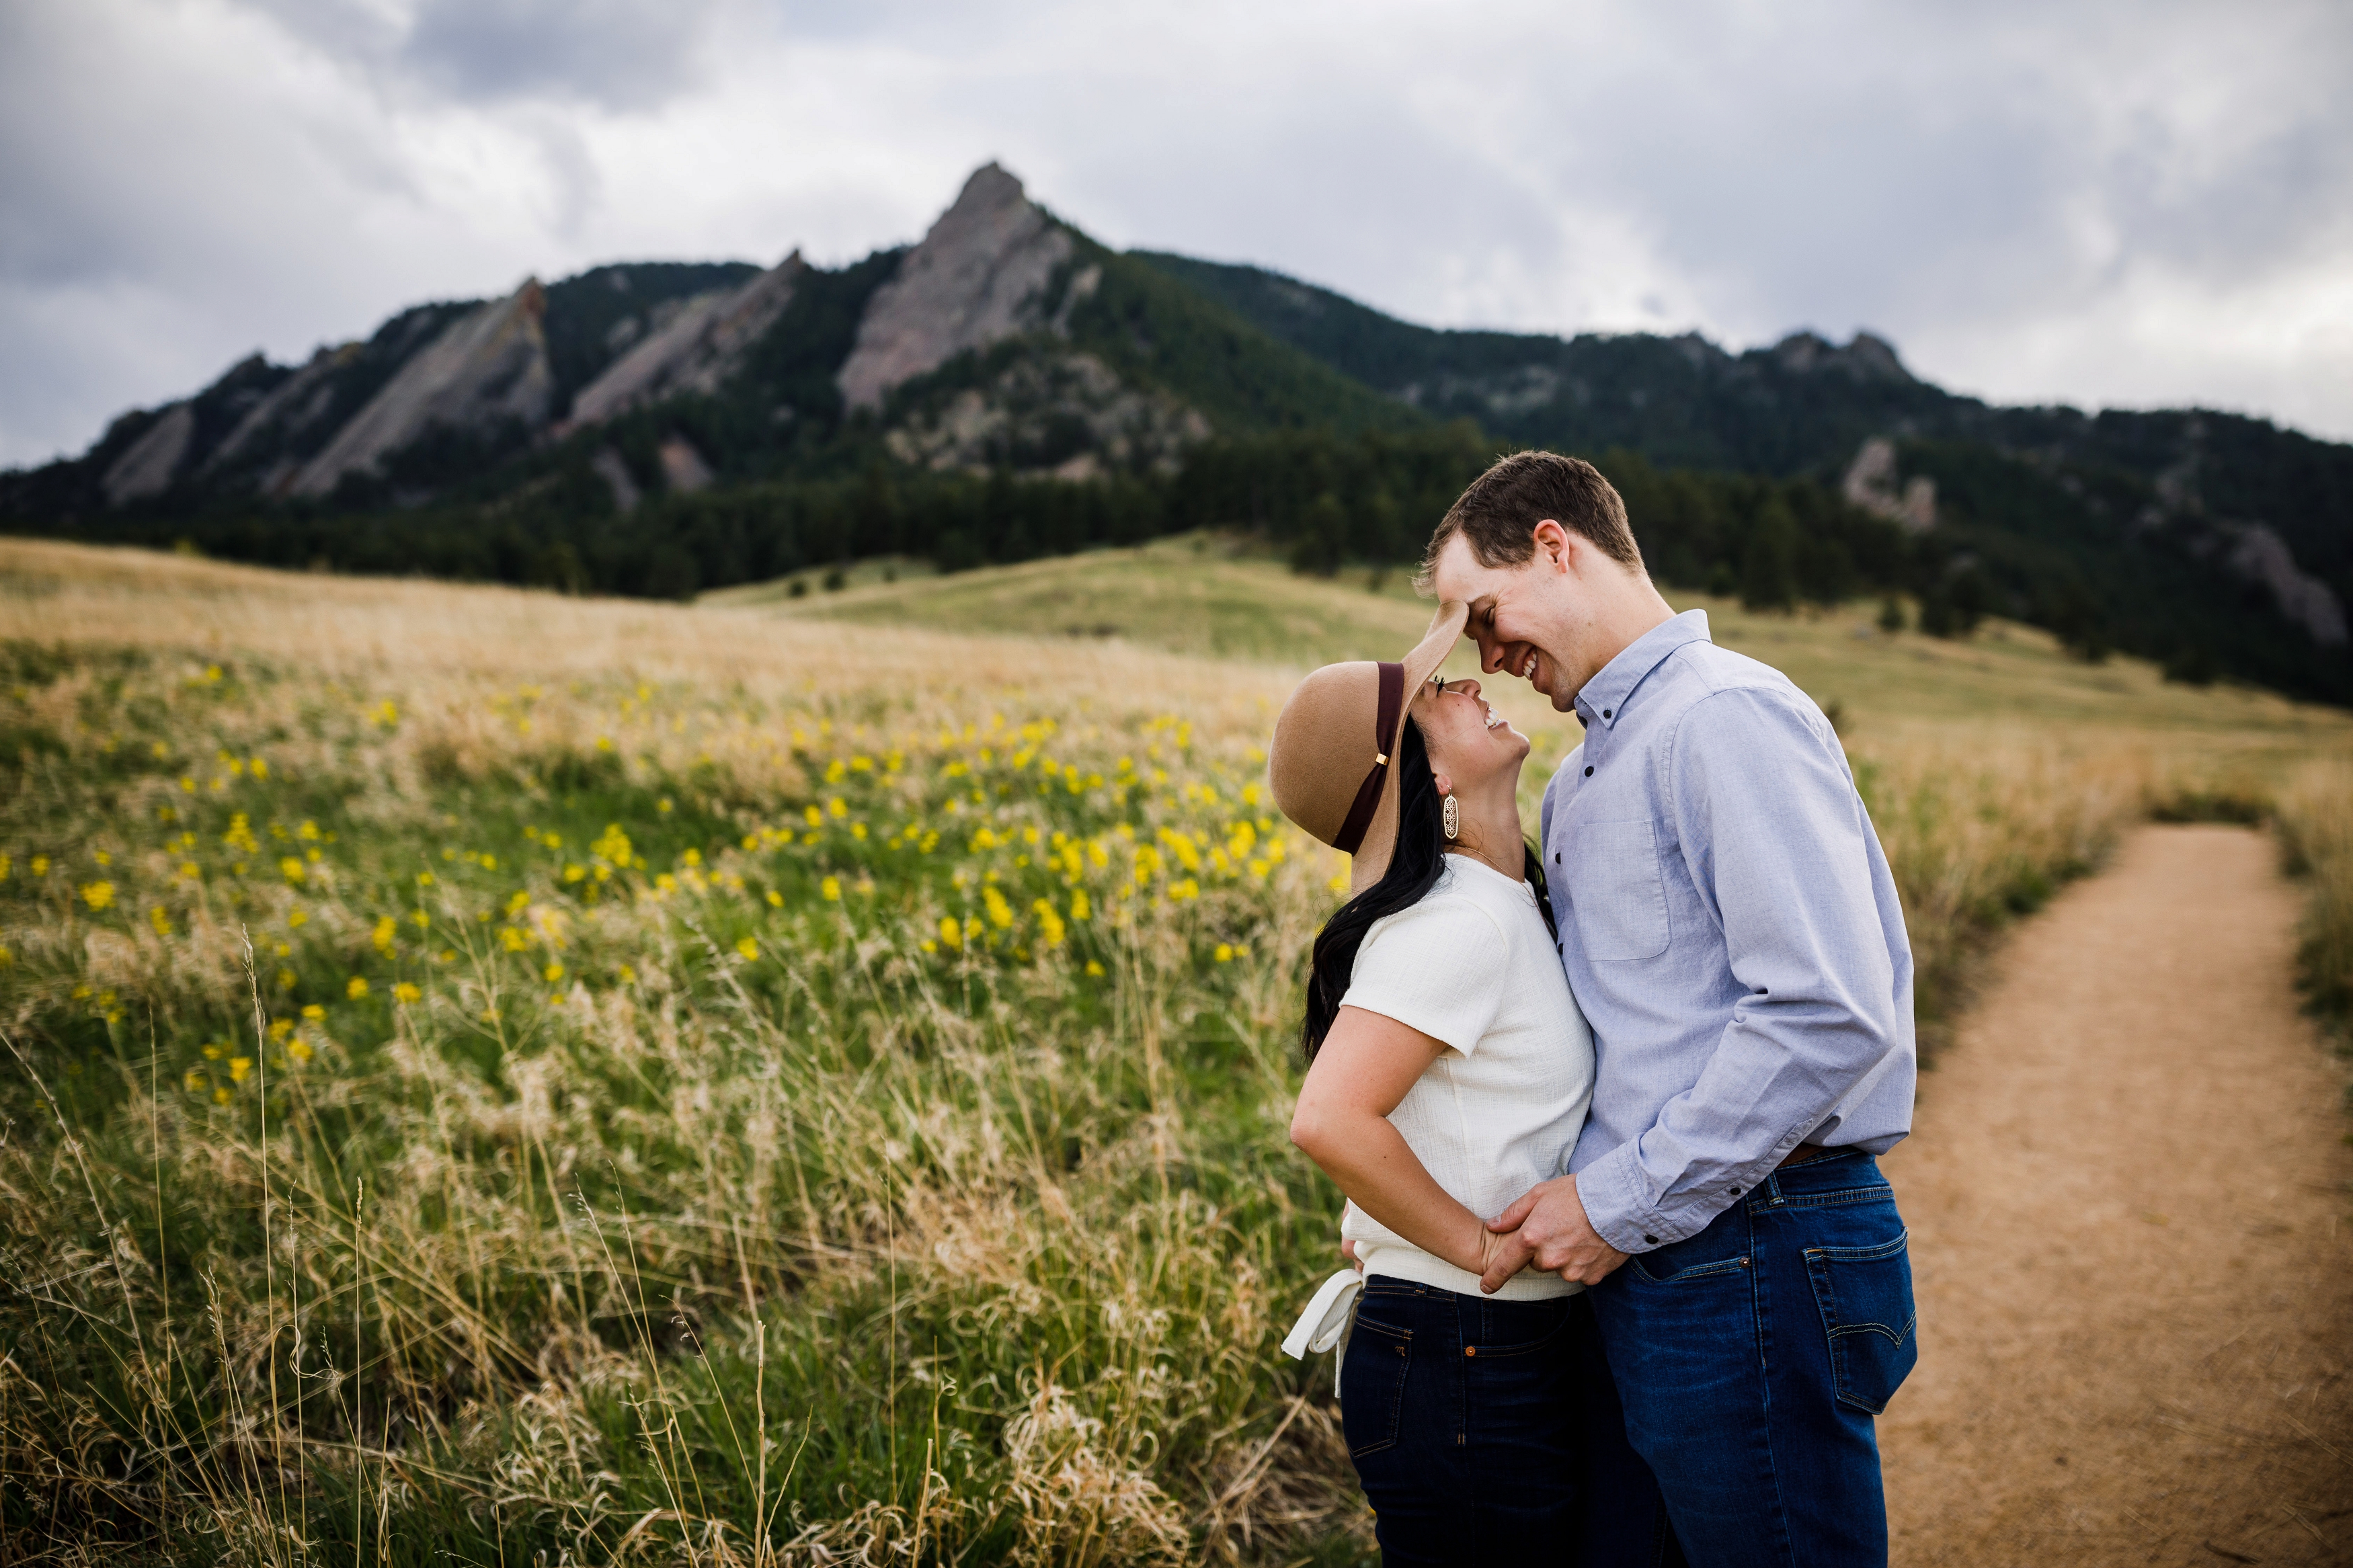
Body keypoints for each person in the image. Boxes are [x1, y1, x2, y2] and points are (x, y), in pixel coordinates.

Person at [1428, 451, 1920, 1567]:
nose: (1490, 656)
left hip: (1754, 1241)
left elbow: (1824, 1011)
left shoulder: (1723, 717)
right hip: (1671, 1255)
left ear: (1556, 545)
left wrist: (1615, 1203)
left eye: (1487, 613)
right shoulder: (1589, 776)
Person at [1267, 602, 1619, 1562]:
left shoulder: (1509, 900)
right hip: (1464, 1351)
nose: (1466, 681)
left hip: (1485, 1347)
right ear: (1426, 774)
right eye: (1434, 699)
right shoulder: (1456, 921)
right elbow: (1332, 1116)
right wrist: (1476, 1245)